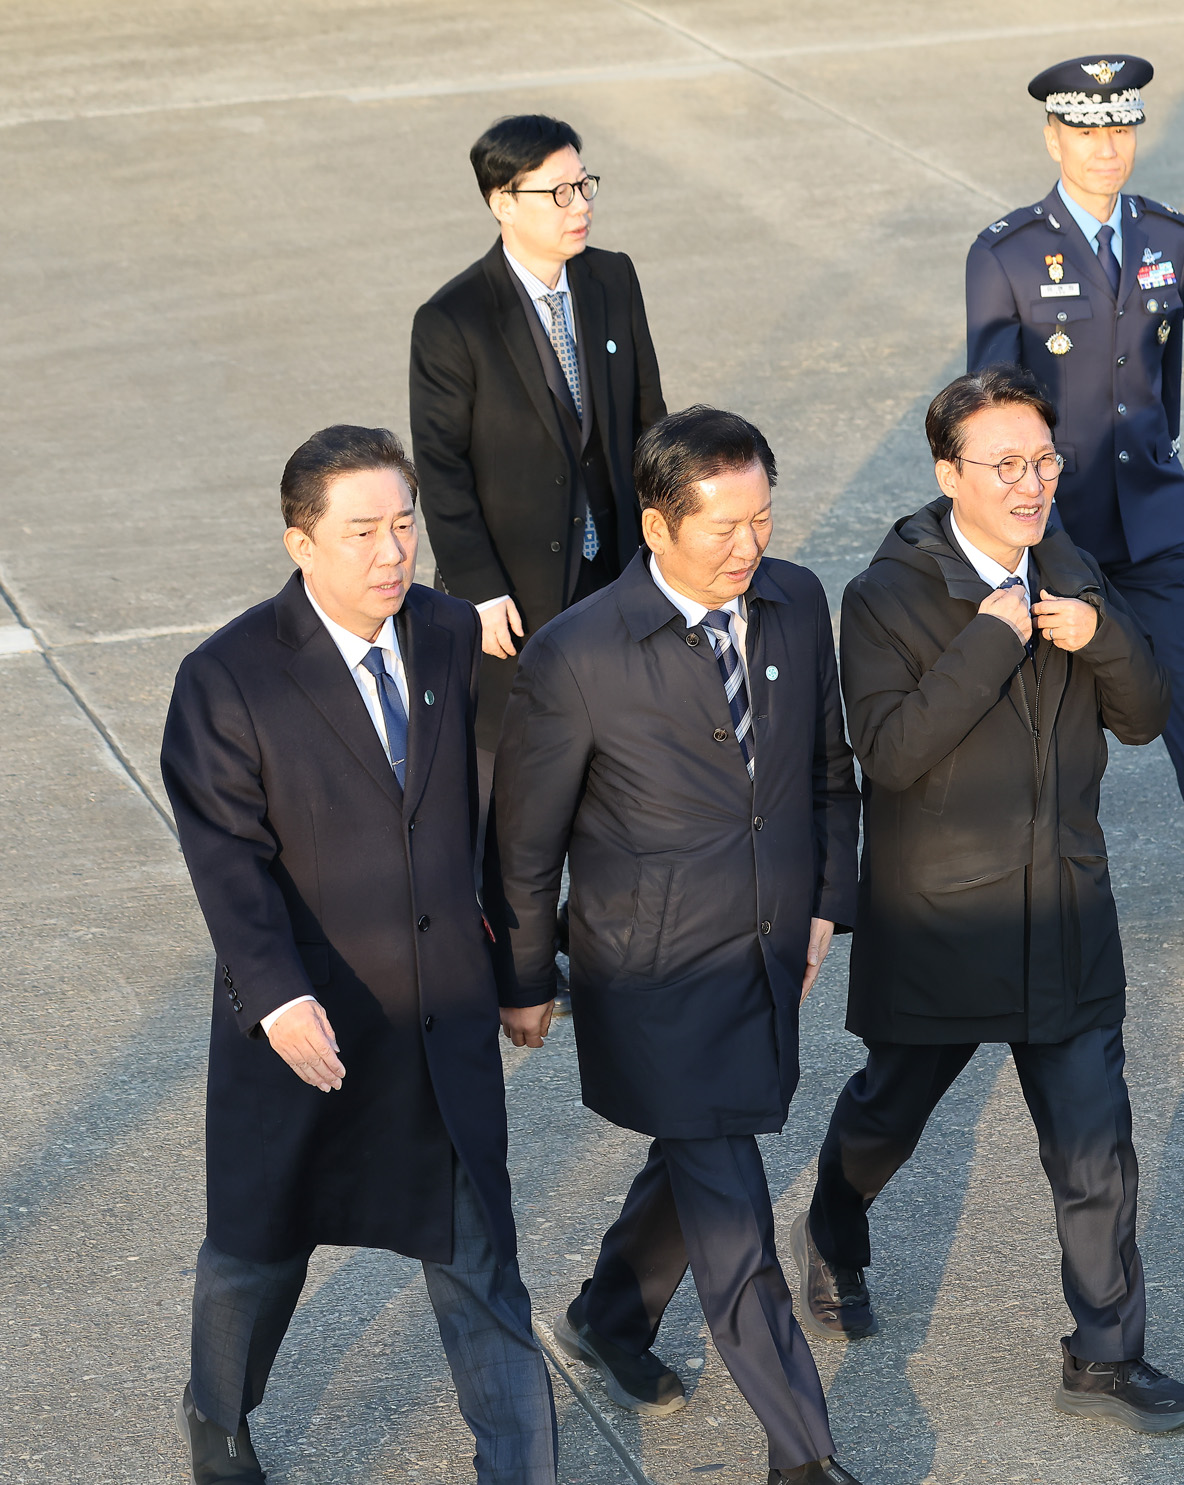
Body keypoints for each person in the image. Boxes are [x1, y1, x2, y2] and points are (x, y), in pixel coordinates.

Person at [790, 365, 1184, 1434]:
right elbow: (889, 752)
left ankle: (1106, 1355)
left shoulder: (1068, 561)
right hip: (944, 917)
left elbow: (1148, 712)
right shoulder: (885, 594)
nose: (1031, 485)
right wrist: (995, 632)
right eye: (1005, 465)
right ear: (949, 473)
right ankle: (835, 1226)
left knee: (1092, 1148)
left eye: (1044, 461)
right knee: (889, 1114)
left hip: (1062, 909)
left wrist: (1097, 635)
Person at [160, 426, 557, 1483]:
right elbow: (228, 862)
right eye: (363, 533)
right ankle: (219, 1416)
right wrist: (279, 999)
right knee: (258, 1256)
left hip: (438, 1023)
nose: (393, 553)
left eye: (403, 527)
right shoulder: (227, 678)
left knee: (481, 1267)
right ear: (301, 543)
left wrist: (521, 973)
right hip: (308, 1029)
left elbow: (495, 819)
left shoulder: (439, 632)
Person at [489, 407, 864, 1485]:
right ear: (657, 526)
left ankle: (609, 1315)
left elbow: (829, 773)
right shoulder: (576, 657)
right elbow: (524, 844)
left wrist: (824, 905)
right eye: (723, 528)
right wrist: (523, 978)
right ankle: (803, 1455)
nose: (750, 547)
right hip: (653, 978)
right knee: (734, 1213)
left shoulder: (792, 603)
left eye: (762, 519)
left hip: (767, 952)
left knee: (705, 1154)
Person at [966, 55, 1184, 943]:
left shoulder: (1168, 237)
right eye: (1086, 130)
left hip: (1151, 510)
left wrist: (1152, 453)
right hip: (1054, 519)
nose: (1107, 147)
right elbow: (990, 406)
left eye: (1120, 129)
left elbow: (1163, 375)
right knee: (1051, 706)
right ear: (1053, 137)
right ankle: (1034, 890)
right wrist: (1023, 527)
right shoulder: (1007, 251)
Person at [409, 112, 666, 820]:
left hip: (614, 569)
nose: (580, 205)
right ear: (502, 202)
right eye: (559, 192)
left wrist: (664, 549)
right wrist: (479, 589)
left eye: (584, 186)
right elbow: (442, 465)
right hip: (514, 594)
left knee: (622, 769)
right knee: (511, 788)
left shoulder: (612, 279)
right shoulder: (453, 319)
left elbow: (650, 421)